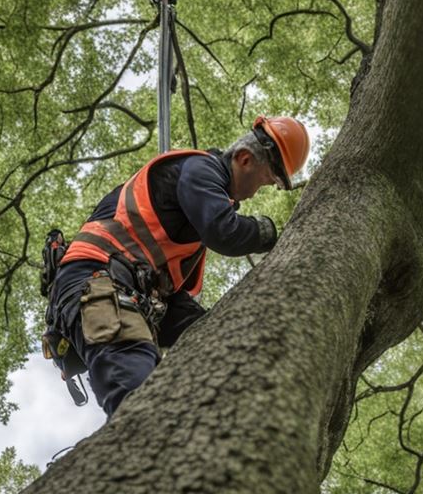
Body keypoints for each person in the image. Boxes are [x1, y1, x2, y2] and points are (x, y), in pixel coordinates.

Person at [48, 116, 309, 416]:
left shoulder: (185, 237)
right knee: (140, 400)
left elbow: (176, 311)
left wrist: (222, 333)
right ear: (244, 158)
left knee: (197, 375)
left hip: (127, 293)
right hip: (96, 282)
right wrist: (267, 232)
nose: (254, 194)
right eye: (265, 181)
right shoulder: (200, 170)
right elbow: (224, 232)